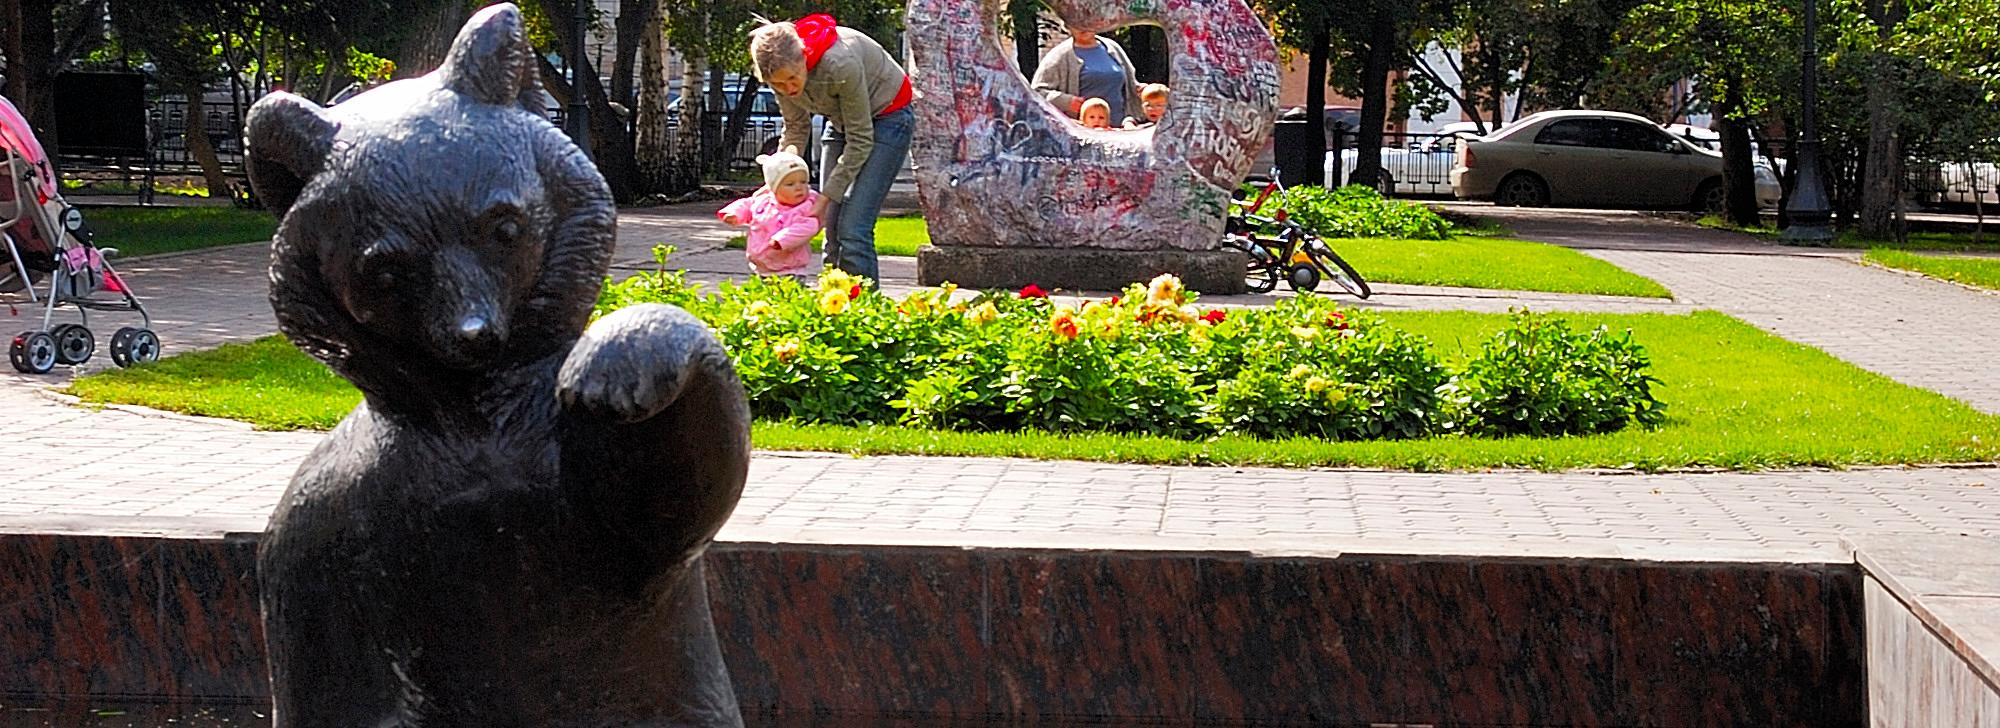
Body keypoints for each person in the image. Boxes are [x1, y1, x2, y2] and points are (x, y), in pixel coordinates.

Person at [749, 13, 913, 285]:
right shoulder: (779, 74)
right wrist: (776, 178)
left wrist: (825, 197)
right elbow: (796, 128)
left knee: (852, 226)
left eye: (793, 78)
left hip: (889, 118)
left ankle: (865, 311)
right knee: (831, 228)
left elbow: (860, 139)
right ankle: (833, 304)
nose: (789, 88)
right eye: (778, 84)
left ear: (804, 55)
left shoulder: (839, 64)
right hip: (840, 120)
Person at [718, 151, 822, 280]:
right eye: (790, 184)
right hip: (761, 267)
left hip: (790, 269)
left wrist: (783, 240)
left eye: (804, 182)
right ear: (773, 187)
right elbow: (748, 204)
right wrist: (734, 213)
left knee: (787, 297)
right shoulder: (764, 201)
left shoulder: (806, 207)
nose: (799, 188)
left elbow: (808, 227)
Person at [1031, 29, 1144, 128]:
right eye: (1076, 24)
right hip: (1082, 135)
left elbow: (1131, 84)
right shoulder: (1059, 55)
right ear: (1067, 25)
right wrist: (1066, 101)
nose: (1083, 27)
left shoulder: (1112, 47)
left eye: (1086, 23)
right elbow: (1036, 93)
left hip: (1120, 130)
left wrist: (1142, 91)